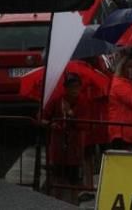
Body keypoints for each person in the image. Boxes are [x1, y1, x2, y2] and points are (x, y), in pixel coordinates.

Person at [44, 74, 90, 202]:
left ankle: (73, 204)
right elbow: (42, 118)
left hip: (74, 148)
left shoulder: (83, 101)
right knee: (58, 178)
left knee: (73, 180)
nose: (74, 89)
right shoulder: (56, 100)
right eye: (71, 87)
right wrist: (51, 124)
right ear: (65, 88)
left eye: (76, 86)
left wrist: (71, 115)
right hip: (58, 147)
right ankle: (57, 202)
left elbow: (85, 124)